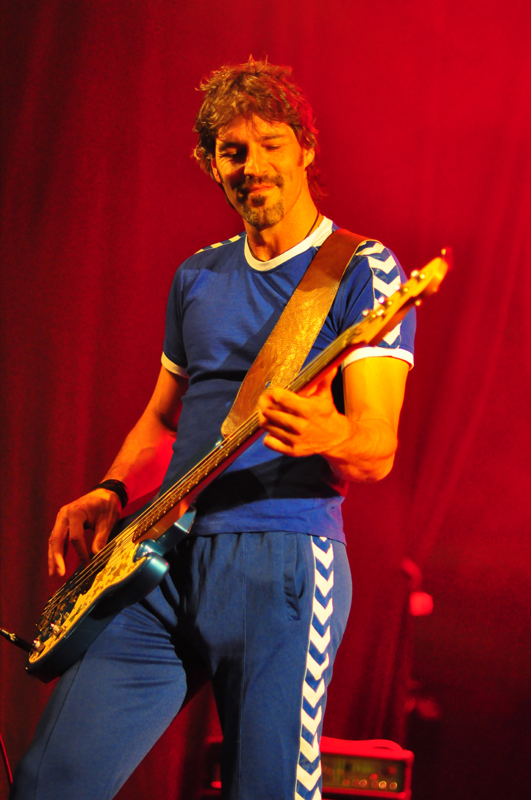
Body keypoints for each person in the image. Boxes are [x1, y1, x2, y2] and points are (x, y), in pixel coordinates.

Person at [11, 59, 415, 800]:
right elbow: (163, 419)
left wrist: (325, 431)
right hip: (158, 557)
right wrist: (112, 488)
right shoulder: (196, 275)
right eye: (232, 151)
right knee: (49, 780)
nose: (252, 165)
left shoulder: (362, 269)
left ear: (305, 148)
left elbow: (376, 448)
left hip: (281, 559)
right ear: (211, 165)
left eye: (270, 144)